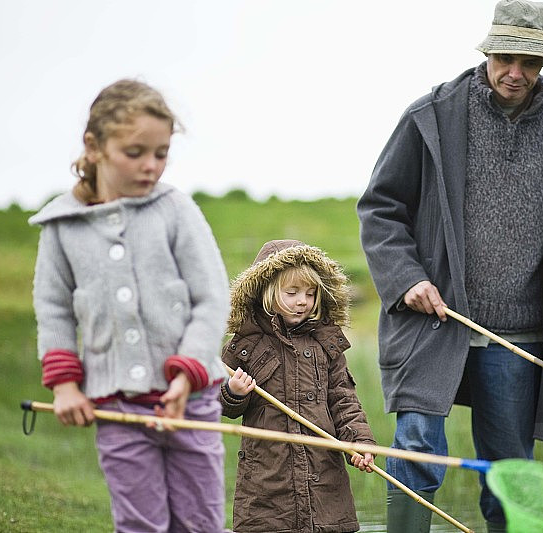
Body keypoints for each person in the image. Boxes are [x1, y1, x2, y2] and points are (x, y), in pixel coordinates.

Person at [356, 0, 543, 530]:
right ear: (487, 50)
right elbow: (380, 209)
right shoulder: (430, 116)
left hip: (520, 338)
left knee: (509, 472)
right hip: (434, 322)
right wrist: (407, 280)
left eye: (529, 62)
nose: (515, 73)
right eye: (505, 58)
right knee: (415, 456)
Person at [30, 79, 231, 532]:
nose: (150, 166)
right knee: (140, 525)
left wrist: (186, 373)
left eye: (160, 154)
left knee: (201, 523)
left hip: (191, 402)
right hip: (116, 408)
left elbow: (211, 297)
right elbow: (54, 310)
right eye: (135, 152)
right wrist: (64, 386)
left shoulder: (177, 210)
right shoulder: (61, 227)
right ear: (95, 146)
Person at [221, 239, 376, 533]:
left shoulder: (326, 343)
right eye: (291, 293)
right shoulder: (246, 345)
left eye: (310, 293)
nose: (302, 301)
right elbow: (217, 402)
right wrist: (233, 393)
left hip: (323, 472)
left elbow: (343, 399)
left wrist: (359, 441)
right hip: (267, 478)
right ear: (267, 293)